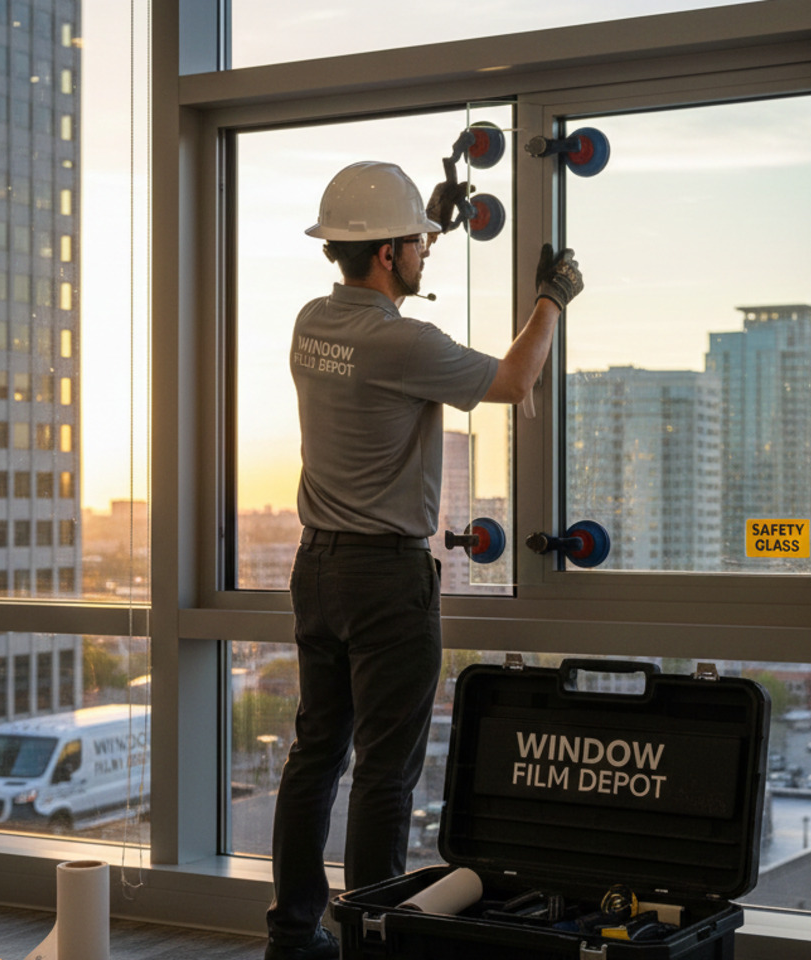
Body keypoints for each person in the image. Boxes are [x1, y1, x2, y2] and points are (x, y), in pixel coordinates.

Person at [263, 160, 583, 960]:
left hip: (318, 571)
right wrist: (552, 299)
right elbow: (514, 379)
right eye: (417, 246)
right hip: (384, 579)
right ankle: (374, 943)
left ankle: (293, 937)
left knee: (315, 758)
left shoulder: (311, 323)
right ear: (384, 254)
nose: (426, 255)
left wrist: (425, 221)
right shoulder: (402, 342)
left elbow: (382, 289)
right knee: (384, 773)